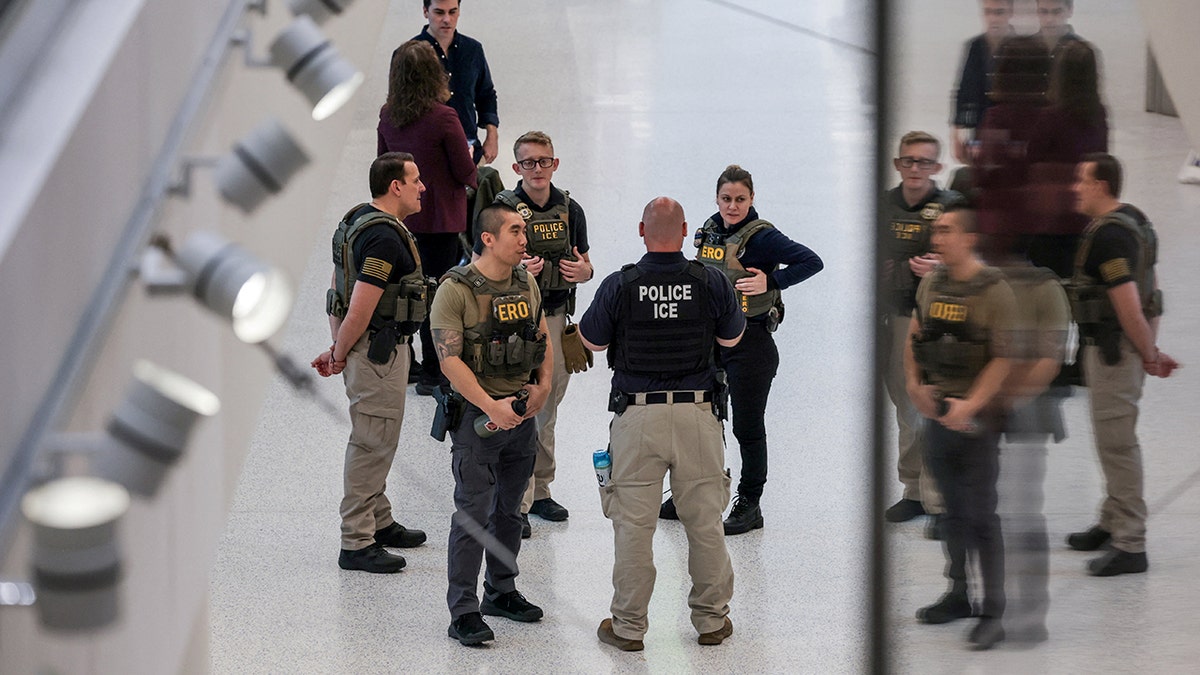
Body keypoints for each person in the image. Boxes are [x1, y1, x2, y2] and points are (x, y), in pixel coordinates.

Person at [578, 196, 744, 651]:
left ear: (641, 231)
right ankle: (711, 622)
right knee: (705, 523)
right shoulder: (710, 281)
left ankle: (629, 628)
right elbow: (731, 336)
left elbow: (591, 341)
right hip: (698, 415)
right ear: (687, 230)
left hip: (638, 417)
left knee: (634, 526)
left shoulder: (621, 284)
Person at [657, 165, 821, 536]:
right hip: (712, 342)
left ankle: (750, 501)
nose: (732, 206)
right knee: (704, 419)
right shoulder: (709, 230)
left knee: (747, 426)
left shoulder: (764, 239)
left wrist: (772, 279)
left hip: (752, 344)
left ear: (752, 199)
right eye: (726, 199)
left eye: (740, 200)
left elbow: (812, 261)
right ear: (717, 198)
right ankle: (699, 490)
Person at [430, 203, 553, 646]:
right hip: (478, 422)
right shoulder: (456, 289)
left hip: (520, 418)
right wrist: (490, 405)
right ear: (488, 238)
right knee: (473, 515)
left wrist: (541, 388)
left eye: (524, 231)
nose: (524, 239)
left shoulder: (526, 282)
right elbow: (449, 360)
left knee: (510, 510)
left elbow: (542, 338)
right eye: (515, 231)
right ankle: (462, 610)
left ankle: (501, 590)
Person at [311, 152, 430, 573]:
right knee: (372, 442)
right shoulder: (384, 237)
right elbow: (361, 302)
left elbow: (336, 289)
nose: (422, 188)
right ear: (395, 186)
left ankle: (379, 520)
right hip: (378, 353)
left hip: (367, 348)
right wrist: (340, 352)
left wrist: (337, 343)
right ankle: (357, 541)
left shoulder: (356, 220)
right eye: (416, 180)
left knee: (378, 436)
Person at [905, 203, 1016, 650]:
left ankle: (993, 610)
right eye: (936, 231)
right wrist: (915, 386)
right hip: (938, 414)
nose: (938, 238)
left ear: (969, 238)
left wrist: (970, 404)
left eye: (947, 230)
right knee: (950, 513)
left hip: (978, 420)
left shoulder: (994, 290)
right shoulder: (932, 281)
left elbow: (1004, 357)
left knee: (981, 516)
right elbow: (915, 336)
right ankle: (958, 593)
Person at [1065, 153, 1178, 576]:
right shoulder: (1135, 221)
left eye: (1081, 179)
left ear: (1101, 185)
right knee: (1113, 438)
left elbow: (1129, 304)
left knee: (1117, 444)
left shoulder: (1110, 237)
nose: (1075, 187)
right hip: (1124, 349)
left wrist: (1148, 353)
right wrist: (1151, 346)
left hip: (1114, 351)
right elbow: (1154, 293)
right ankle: (1112, 520)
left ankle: (1130, 543)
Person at [488, 131, 593, 537]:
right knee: (516, 406)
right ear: (515, 168)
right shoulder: (502, 210)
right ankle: (515, 500)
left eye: (543, 161)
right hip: (512, 318)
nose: (537, 169)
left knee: (547, 406)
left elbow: (585, 261)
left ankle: (541, 490)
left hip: (555, 317)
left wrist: (586, 273)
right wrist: (515, 271)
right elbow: (479, 264)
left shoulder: (571, 209)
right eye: (528, 162)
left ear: (555, 164)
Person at [378, 39, 478, 396]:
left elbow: (382, 165)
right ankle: (437, 370)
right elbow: (465, 170)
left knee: (406, 293)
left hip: (402, 221)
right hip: (440, 220)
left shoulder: (388, 115)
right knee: (438, 294)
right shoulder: (444, 117)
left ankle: (411, 364)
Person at [880, 132, 959, 533]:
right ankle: (914, 490)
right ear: (897, 164)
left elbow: (976, 262)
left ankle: (942, 497)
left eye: (924, 162)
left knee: (939, 405)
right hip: (894, 318)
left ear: (937, 168)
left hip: (941, 320)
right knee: (906, 405)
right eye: (908, 161)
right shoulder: (883, 206)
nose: (915, 169)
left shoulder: (952, 209)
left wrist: (940, 270)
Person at [1026, 39, 1108, 277]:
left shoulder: (1050, 116)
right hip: (1088, 215)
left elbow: (1032, 158)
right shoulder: (1099, 114)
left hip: (1052, 218)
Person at [409, 0, 499, 165]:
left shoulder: (473, 50)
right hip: (428, 154)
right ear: (425, 12)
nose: (447, 19)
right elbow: (400, 105)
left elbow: (486, 94)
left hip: (470, 151)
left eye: (452, 12)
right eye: (439, 12)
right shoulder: (409, 54)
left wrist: (492, 136)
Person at [950, 0, 1015, 163]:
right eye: (988, 12)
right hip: (982, 124)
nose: (993, 18)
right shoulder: (975, 46)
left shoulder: (1024, 47)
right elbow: (964, 89)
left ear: (1010, 12)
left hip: (1014, 127)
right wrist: (956, 131)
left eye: (999, 12)